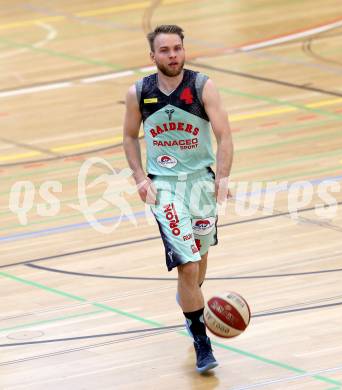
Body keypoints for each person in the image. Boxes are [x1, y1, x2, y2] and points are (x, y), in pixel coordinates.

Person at [123, 24, 233, 374]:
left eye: (177, 48)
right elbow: (128, 137)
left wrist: (224, 176)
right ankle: (202, 341)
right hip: (165, 186)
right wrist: (140, 178)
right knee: (186, 265)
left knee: (199, 261)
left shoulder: (202, 86)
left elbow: (224, 135)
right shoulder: (140, 92)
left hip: (201, 181)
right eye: (165, 50)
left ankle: (189, 298)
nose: (173, 55)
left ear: (183, 50)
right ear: (152, 56)